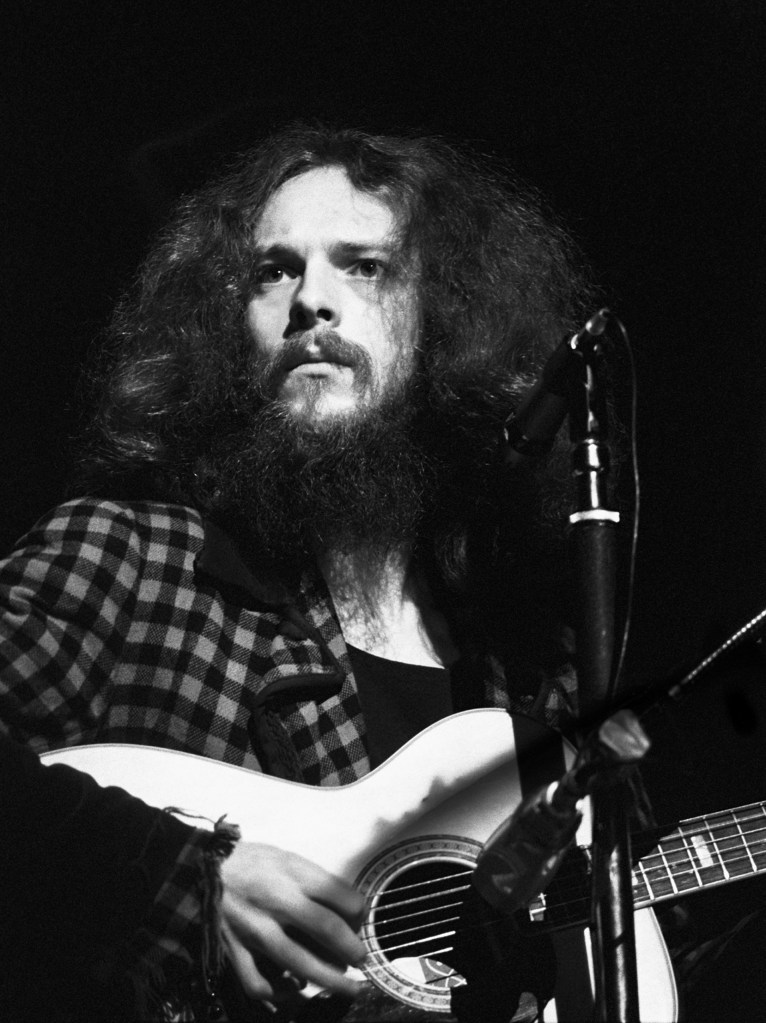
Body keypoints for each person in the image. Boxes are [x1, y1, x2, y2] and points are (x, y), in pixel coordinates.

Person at [0, 124, 589, 1021]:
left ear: (446, 318)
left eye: (366, 266)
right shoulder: (130, 557)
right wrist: (179, 876)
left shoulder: (520, 665)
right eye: (272, 271)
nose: (310, 299)